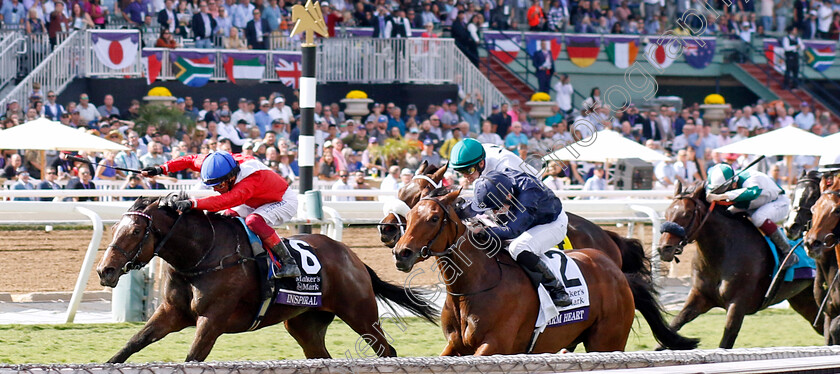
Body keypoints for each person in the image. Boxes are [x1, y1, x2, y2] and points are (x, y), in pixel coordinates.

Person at [142, 151, 300, 278]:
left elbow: (224, 201)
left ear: (231, 178)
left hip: (282, 200)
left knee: (253, 221)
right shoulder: (217, 164)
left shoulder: (250, 180)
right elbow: (189, 160)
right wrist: (160, 169)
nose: (216, 189)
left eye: (220, 185)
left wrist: (193, 203)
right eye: (212, 186)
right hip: (255, 199)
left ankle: (289, 262)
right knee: (226, 216)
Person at [470, 170, 572, 307]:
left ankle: (556, 288)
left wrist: (483, 232)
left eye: (496, 207)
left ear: (508, 195)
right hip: (525, 216)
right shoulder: (497, 181)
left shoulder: (529, 194)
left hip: (552, 224)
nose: (494, 211)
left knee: (518, 248)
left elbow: (514, 230)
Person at [706, 163, 795, 269]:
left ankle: (788, 253)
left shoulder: (752, 179)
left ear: (734, 184)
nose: (720, 193)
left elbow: (752, 192)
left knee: (758, 218)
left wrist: (721, 196)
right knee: (727, 215)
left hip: (777, 202)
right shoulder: (724, 181)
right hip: (751, 205)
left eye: (723, 190)